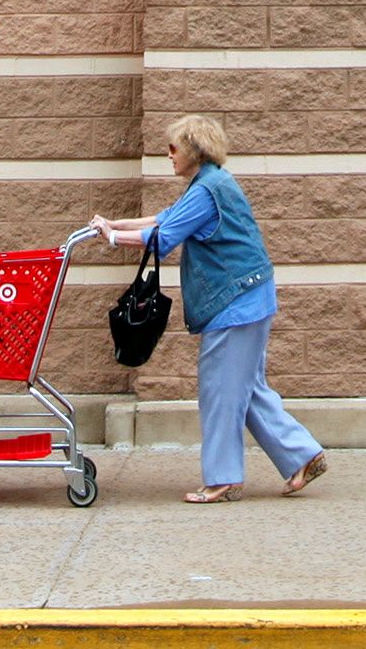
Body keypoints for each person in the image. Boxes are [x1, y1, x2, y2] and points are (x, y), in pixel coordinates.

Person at [91, 113, 329, 503]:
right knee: (246, 388)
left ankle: (223, 479)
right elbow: (163, 218)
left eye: (173, 148)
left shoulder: (206, 191)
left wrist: (114, 238)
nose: (167, 154)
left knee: (220, 390)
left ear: (193, 149)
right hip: (251, 297)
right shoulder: (210, 183)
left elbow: (163, 236)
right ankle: (302, 455)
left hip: (235, 304)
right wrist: (111, 223)